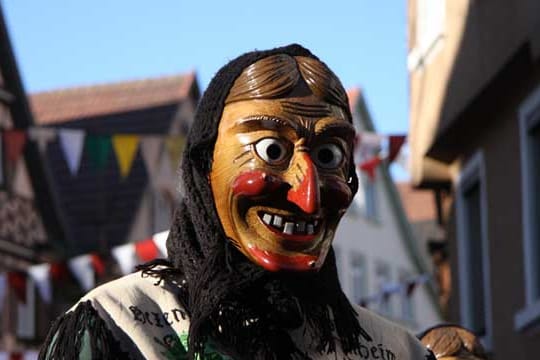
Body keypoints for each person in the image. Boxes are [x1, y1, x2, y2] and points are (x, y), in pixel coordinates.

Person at [40, 44, 435, 360]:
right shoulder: (122, 324)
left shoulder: (396, 351)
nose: (307, 195)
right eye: (271, 150)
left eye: (329, 155)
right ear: (206, 166)